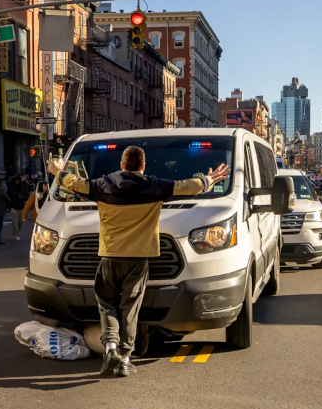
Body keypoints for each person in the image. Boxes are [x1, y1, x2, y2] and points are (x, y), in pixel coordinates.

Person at [48, 147, 229, 378]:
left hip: (110, 257)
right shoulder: (155, 186)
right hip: (138, 259)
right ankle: (124, 358)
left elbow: (74, 183)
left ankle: (110, 347)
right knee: (129, 308)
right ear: (143, 166)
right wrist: (208, 180)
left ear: (122, 165)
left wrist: (58, 172)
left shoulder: (102, 185)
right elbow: (186, 187)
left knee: (106, 304)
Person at [7, 175, 30, 241]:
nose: (17, 182)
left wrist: (23, 197)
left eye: (18, 180)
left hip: (21, 207)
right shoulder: (11, 188)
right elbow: (8, 197)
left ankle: (17, 232)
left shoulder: (23, 188)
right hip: (14, 207)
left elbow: (27, 197)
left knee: (20, 222)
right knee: (15, 223)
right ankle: (16, 235)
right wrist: (9, 206)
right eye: (16, 180)